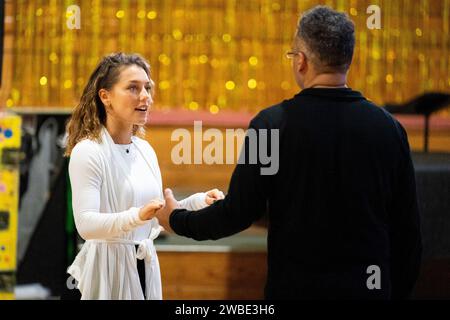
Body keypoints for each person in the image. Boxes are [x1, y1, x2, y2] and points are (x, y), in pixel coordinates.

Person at [155, 6, 422, 299]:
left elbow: (237, 214)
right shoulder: (389, 129)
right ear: (349, 58)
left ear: (302, 61)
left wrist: (176, 220)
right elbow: (407, 233)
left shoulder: (271, 125)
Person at [63, 53, 224, 300]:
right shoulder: (88, 151)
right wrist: (137, 216)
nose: (145, 96)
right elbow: (86, 225)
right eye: (133, 88)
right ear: (105, 96)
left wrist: (197, 202)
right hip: (104, 273)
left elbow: (155, 215)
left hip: (143, 266)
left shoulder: (144, 150)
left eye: (147, 87)